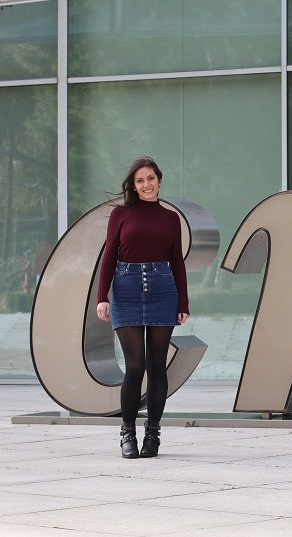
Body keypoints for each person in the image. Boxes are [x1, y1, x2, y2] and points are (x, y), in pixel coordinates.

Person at [96, 157, 190, 458]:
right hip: (125, 290)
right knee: (135, 365)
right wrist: (103, 296)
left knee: (156, 366)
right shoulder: (120, 215)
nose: (146, 185)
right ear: (133, 186)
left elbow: (177, 261)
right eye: (140, 181)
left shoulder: (170, 218)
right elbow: (110, 256)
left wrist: (183, 302)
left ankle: (153, 433)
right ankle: (127, 432)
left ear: (159, 180)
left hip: (163, 289)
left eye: (150, 178)